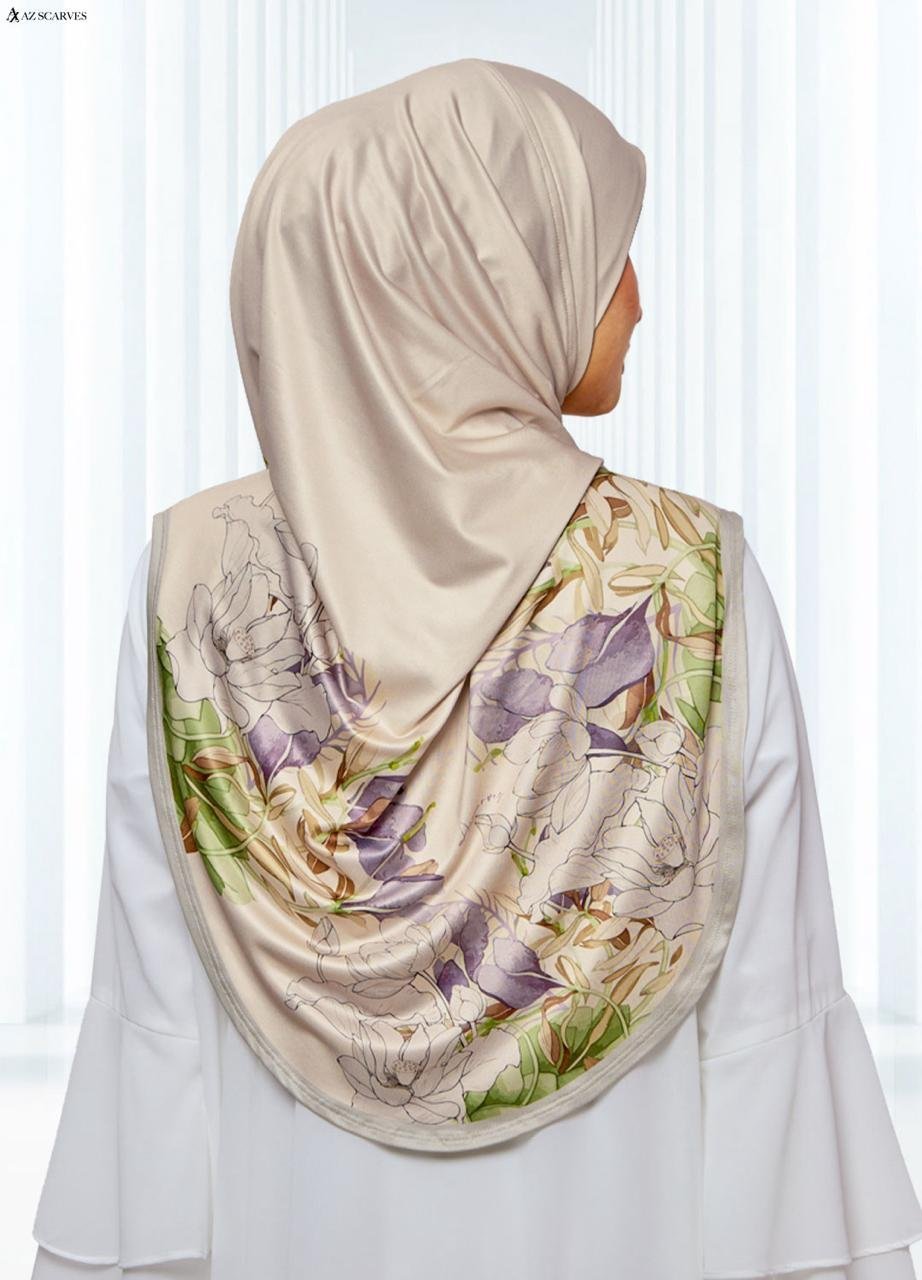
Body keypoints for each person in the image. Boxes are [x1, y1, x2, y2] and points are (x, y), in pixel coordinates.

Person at [30, 58, 922, 1279]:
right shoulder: (686, 584)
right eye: (603, 253)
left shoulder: (199, 585)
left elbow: (158, 1045)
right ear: (478, 274)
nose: (637, 298)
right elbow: (766, 1031)